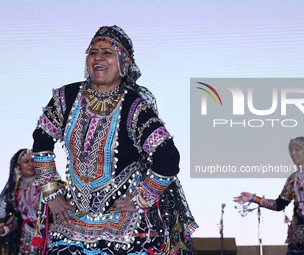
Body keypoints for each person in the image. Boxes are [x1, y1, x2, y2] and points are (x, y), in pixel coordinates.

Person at [32, 25, 197, 255]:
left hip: (127, 225)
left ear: (124, 63)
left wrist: (141, 198)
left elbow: (168, 158)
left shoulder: (135, 107)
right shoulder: (65, 97)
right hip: (73, 221)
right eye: (93, 52)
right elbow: (41, 142)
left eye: (107, 53)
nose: (98, 57)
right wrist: (51, 191)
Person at [234, 137, 304, 255]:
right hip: (297, 239)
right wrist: (253, 198)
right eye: (291, 150)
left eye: (297, 149)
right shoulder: (293, 179)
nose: (293, 153)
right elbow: (278, 204)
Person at [0, 149, 47, 255]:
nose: (31, 164)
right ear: (18, 167)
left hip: (48, 233)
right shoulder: (14, 192)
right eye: (26, 162)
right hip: (26, 237)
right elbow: (15, 218)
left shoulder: (47, 185)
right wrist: (5, 230)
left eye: (33, 161)